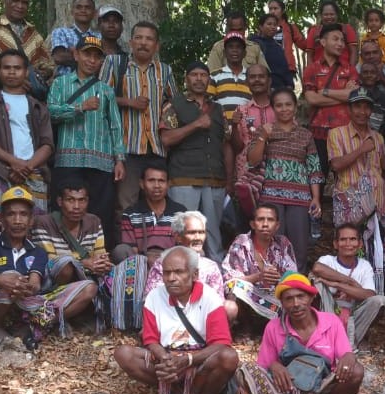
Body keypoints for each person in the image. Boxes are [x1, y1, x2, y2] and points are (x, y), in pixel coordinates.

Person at [232, 272, 364, 394]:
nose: (295, 304)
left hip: (321, 386)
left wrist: (349, 358)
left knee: (356, 371)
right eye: (289, 299)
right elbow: (263, 366)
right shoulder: (274, 327)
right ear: (282, 303)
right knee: (247, 370)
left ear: (310, 297)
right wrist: (275, 366)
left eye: (301, 296)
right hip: (288, 388)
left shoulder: (331, 322)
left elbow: (346, 354)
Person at [113, 246, 239, 394]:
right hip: (167, 357)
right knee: (123, 354)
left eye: (179, 272)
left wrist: (188, 360)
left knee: (229, 357)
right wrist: (165, 359)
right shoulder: (154, 297)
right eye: (167, 273)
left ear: (194, 275)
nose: (171, 278)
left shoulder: (210, 298)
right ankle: (175, 391)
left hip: (199, 361)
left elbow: (221, 342)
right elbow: (150, 339)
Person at [0, 186, 98, 350]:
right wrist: (0, 279)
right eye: (11, 214)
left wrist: (30, 287)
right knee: (10, 276)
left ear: (31, 220)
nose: (18, 220)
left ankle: (38, 325)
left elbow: (35, 282)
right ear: (1, 218)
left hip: (25, 306)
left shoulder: (37, 252)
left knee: (89, 288)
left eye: (24, 215)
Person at [0, 49, 55, 237]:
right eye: (6, 68)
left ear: (26, 72)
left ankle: (29, 266)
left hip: (32, 172)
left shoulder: (38, 106)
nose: (11, 72)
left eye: (17, 68)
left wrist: (27, 166)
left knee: (35, 230)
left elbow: (47, 144)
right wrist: (13, 162)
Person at [48, 35, 125, 240]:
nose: (91, 60)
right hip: (67, 160)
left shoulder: (106, 90)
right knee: (64, 209)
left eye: (96, 56)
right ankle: (62, 255)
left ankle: (100, 259)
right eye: (87, 54)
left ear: (101, 61)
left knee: (101, 212)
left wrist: (119, 160)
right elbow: (50, 113)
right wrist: (80, 107)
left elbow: (116, 127)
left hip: (101, 162)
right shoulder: (60, 84)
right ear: (76, 54)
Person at [161, 61, 232, 261]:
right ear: (186, 79)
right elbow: (166, 139)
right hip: (184, 177)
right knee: (184, 231)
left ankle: (215, 275)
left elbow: (226, 145)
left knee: (213, 234)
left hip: (215, 179)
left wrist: (230, 180)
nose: (199, 79)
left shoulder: (218, 109)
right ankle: (181, 270)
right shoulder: (174, 104)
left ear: (209, 80)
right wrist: (195, 125)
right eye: (194, 75)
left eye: (203, 75)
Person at [104, 20, 176, 212]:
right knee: (127, 204)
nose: (143, 43)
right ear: (130, 42)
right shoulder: (115, 63)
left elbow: (174, 105)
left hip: (157, 149)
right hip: (127, 149)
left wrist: (169, 126)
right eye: (139, 38)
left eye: (149, 39)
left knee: (158, 203)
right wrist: (128, 102)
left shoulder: (165, 71)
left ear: (156, 45)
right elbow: (101, 98)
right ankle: (128, 243)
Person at [327, 87, 385, 283]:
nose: (362, 112)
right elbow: (336, 165)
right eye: (357, 106)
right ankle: (351, 291)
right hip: (350, 204)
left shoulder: (378, 137)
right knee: (351, 248)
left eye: (366, 107)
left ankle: (379, 289)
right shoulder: (336, 134)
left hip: (378, 201)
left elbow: (383, 167)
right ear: (349, 109)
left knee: (380, 248)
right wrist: (361, 150)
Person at [142, 211, 236, 321]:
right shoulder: (162, 263)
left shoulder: (210, 267)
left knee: (230, 308)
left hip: (201, 318)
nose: (198, 237)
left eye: (201, 232)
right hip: (170, 316)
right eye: (192, 233)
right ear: (178, 237)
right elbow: (152, 298)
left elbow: (217, 301)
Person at [312, 223, 385, 348]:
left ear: (360, 244)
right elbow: (317, 268)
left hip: (353, 317)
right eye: (343, 239)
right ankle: (329, 336)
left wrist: (338, 284)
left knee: (381, 300)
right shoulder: (327, 260)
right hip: (328, 313)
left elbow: (370, 294)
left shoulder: (364, 266)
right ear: (335, 244)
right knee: (317, 284)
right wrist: (349, 282)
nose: (348, 243)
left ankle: (350, 341)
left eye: (353, 239)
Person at [29, 178, 112, 289]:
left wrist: (103, 263)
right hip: (54, 281)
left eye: (82, 200)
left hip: (89, 278)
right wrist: (84, 263)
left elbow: (100, 254)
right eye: (70, 200)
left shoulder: (94, 221)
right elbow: (50, 261)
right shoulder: (44, 223)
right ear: (60, 201)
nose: (76, 206)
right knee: (65, 265)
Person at [301, 23, 360, 174]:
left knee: (346, 179)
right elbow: (312, 99)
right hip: (318, 133)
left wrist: (325, 91)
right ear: (323, 42)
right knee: (317, 178)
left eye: (342, 40)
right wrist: (343, 95)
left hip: (344, 132)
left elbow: (352, 96)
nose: (340, 44)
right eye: (335, 39)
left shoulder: (350, 69)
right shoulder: (312, 69)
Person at [224, 203, 299, 322]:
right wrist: (259, 277)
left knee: (295, 293)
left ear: (277, 225)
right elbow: (229, 280)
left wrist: (279, 279)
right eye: (260, 219)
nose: (265, 224)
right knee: (233, 287)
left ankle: (277, 329)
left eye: (270, 220)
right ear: (252, 224)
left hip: (275, 298)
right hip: (249, 297)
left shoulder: (283, 243)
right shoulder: (242, 242)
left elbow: (293, 277)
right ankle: (243, 325)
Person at [114, 163, 187, 261]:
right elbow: (132, 250)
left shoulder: (180, 213)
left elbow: (184, 246)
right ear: (141, 184)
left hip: (173, 264)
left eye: (161, 181)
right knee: (121, 250)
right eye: (151, 180)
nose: (157, 186)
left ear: (168, 184)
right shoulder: (131, 214)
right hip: (142, 265)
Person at [230, 64, 275, 221]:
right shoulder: (241, 111)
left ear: (269, 80)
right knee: (249, 225)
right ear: (247, 82)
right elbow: (237, 147)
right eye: (252, 77)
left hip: (276, 175)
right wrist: (234, 126)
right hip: (247, 178)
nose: (257, 80)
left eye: (261, 76)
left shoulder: (280, 108)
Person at [49, 0, 100, 78]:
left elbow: (102, 60)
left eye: (87, 7)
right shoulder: (61, 32)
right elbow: (59, 57)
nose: (83, 10)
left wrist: (73, 52)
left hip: (92, 85)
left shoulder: (99, 36)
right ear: (72, 12)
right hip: (64, 83)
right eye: (78, 7)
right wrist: (90, 59)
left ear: (94, 13)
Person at [207, 32, 253, 125]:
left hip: (246, 130)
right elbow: (208, 104)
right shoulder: (215, 76)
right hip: (221, 129)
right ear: (224, 52)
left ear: (244, 53)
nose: (234, 50)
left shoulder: (251, 76)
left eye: (238, 47)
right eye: (230, 47)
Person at [296, 1, 359, 65]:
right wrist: (311, 72)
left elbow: (353, 52)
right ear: (321, 16)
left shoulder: (347, 29)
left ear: (337, 15)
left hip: (343, 70)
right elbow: (310, 55)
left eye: (332, 14)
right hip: (319, 71)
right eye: (326, 14)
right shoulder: (314, 30)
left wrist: (351, 71)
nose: (329, 17)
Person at [251, 13, 294, 89]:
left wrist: (289, 85)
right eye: (269, 24)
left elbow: (285, 69)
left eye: (275, 25)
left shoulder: (278, 47)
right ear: (261, 27)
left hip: (279, 88)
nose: (273, 27)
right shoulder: (253, 44)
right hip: (261, 88)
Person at [266, 0, 306, 79]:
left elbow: (304, 45)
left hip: (287, 68)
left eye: (275, 8)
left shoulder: (290, 27)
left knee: (286, 91)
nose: (272, 11)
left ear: (282, 10)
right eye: (270, 9)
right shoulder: (264, 28)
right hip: (268, 68)